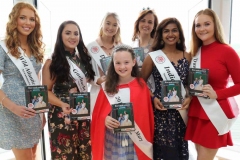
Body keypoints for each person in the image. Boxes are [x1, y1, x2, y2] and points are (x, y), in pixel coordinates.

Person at [185, 8, 240, 160]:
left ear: (215, 25)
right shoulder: (194, 52)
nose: (202, 29)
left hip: (214, 113)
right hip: (197, 111)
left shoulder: (227, 51)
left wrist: (218, 93)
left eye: (206, 24)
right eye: (198, 25)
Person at [42, 20, 96, 159]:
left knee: (84, 152)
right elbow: (46, 92)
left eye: (76, 33)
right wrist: (62, 104)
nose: (73, 37)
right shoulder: (52, 62)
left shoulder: (82, 59)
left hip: (82, 111)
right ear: (60, 36)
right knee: (65, 154)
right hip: (62, 114)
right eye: (68, 33)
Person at [91, 44, 154, 160]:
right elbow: (98, 113)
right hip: (114, 137)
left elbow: (146, 115)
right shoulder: (107, 86)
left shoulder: (141, 85)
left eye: (126, 62)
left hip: (136, 140)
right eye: (118, 63)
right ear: (113, 64)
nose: (122, 67)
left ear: (134, 62)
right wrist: (105, 119)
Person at [141, 17, 191, 160]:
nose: (170, 34)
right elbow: (140, 83)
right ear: (161, 35)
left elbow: (192, 84)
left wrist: (190, 97)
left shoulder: (187, 56)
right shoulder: (152, 57)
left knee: (179, 150)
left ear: (180, 33)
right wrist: (152, 97)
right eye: (166, 31)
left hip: (180, 113)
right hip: (160, 113)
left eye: (174, 30)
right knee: (163, 151)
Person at [0, 2, 45, 159]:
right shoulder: (3, 47)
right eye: (23, 18)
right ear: (14, 20)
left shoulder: (36, 48)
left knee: (33, 155)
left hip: (33, 111)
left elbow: (37, 79)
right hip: (13, 111)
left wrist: (41, 112)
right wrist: (12, 107)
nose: (28, 23)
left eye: (32, 19)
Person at [87, 12, 122, 114]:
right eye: (108, 23)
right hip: (98, 92)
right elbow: (85, 73)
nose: (110, 27)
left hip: (117, 93)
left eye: (114, 25)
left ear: (118, 28)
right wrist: (97, 80)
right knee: (99, 126)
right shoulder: (90, 47)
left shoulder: (121, 47)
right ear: (102, 24)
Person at [132, 8, 158, 93]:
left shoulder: (158, 46)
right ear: (138, 23)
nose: (146, 24)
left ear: (154, 26)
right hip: (137, 90)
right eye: (143, 21)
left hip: (155, 92)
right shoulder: (131, 46)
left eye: (150, 22)